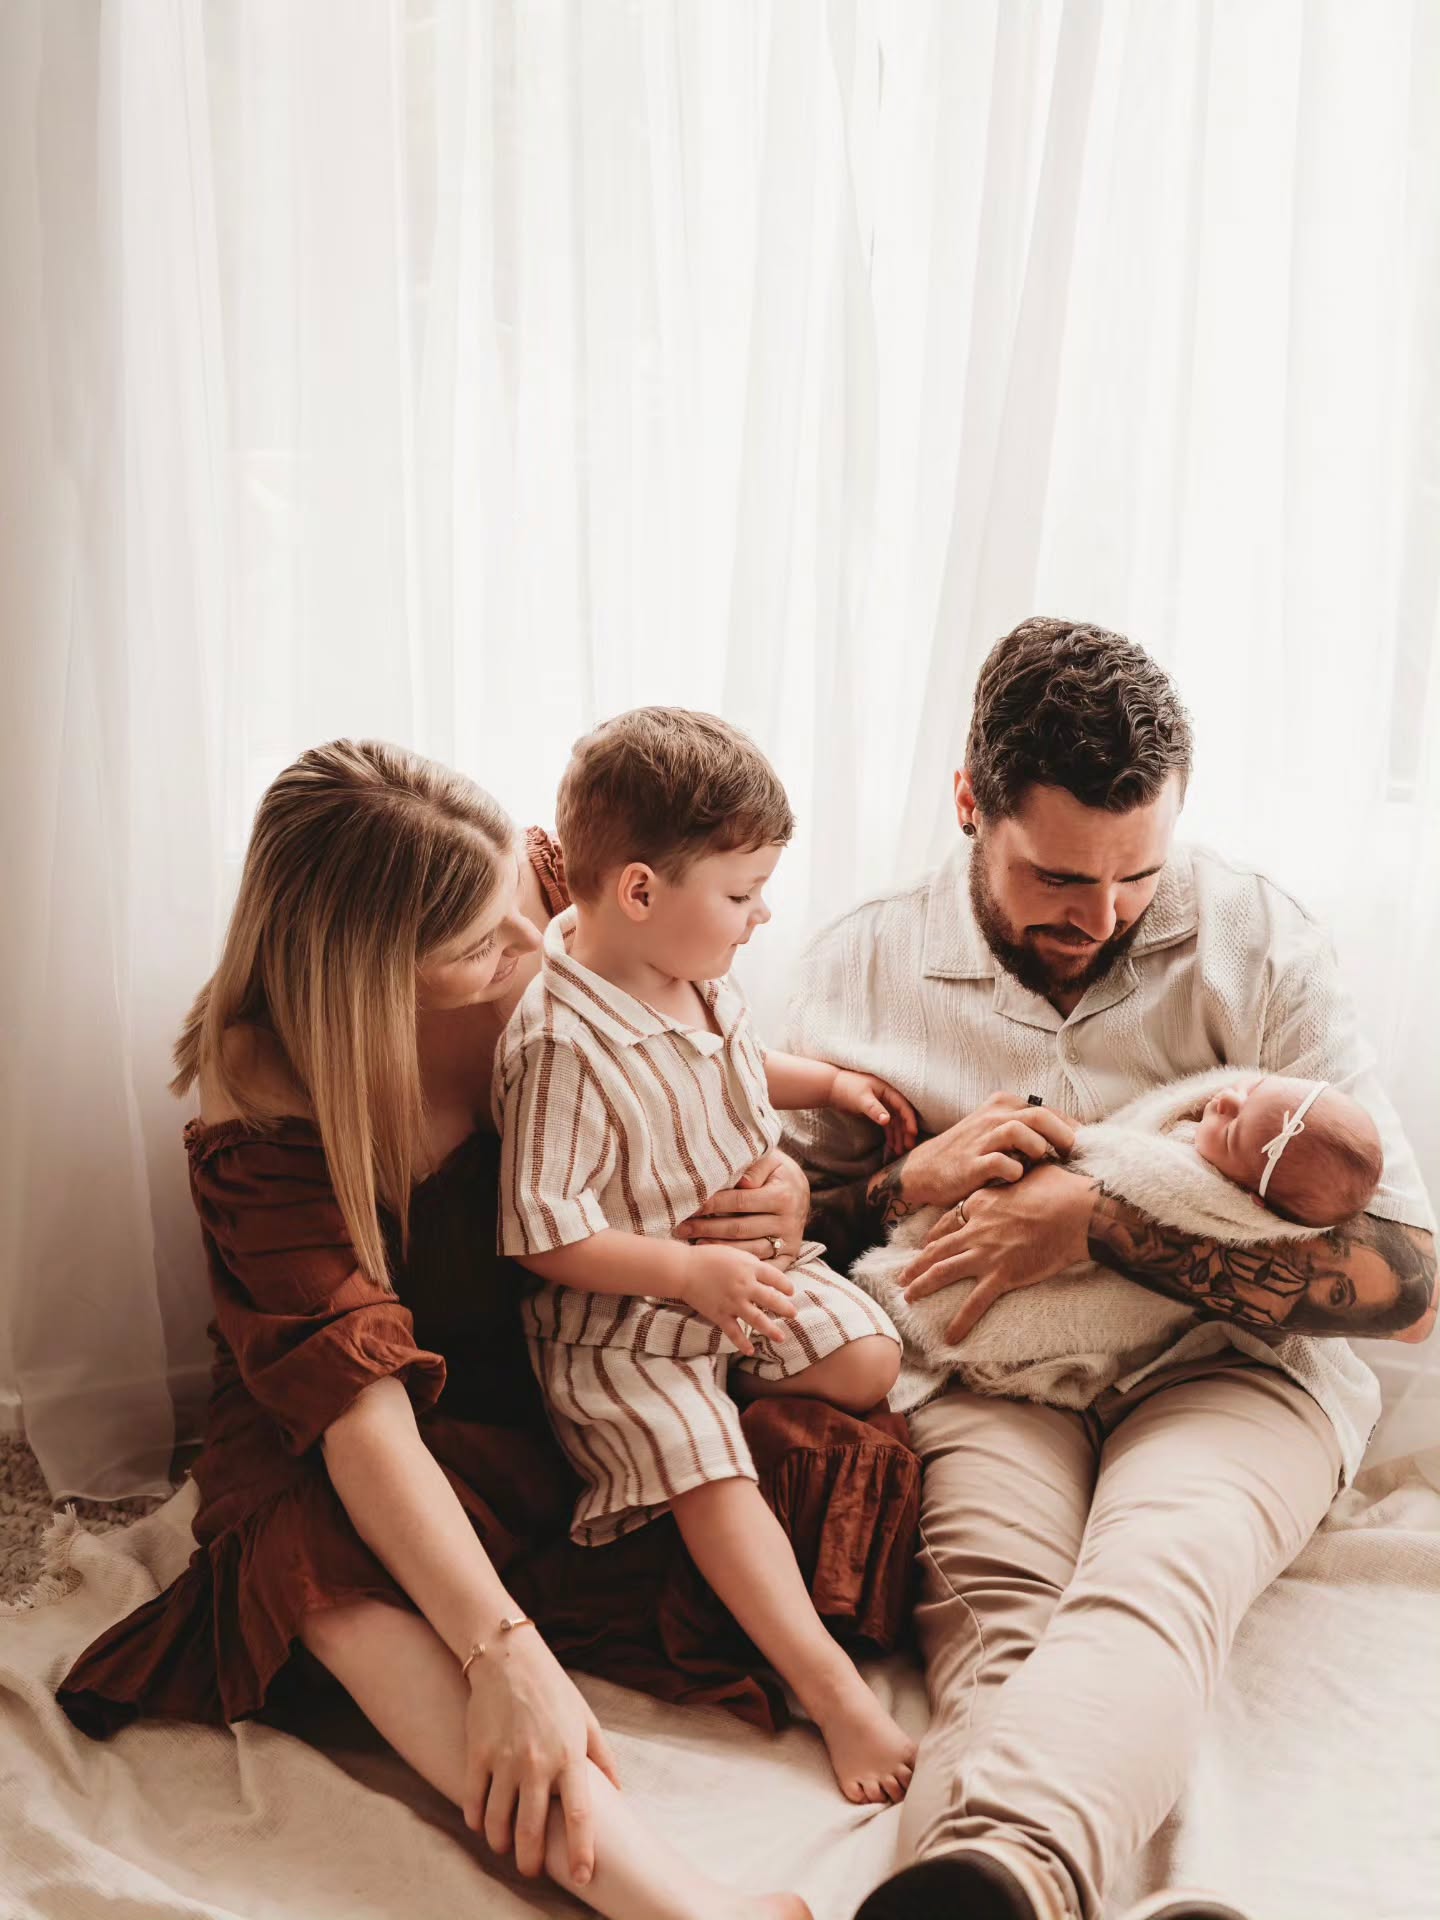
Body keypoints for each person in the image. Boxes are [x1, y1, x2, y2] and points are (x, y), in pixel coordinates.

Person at [56, 740, 919, 1920]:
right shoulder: (266, 1086)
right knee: (323, 1566)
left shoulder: (541, 890)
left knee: (812, 1464)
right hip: (356, 1419)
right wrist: (501, 1653)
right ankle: (671, 1902)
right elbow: (361, 1418)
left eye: (524, 909)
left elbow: (682, 1067)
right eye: (480, 950)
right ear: (371, 976)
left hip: (550, 1362)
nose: (536, 955)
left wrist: (771, 1189)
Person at [781, 619, 1437, 1920]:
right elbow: (765, 1237)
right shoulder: (858, 967)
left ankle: (1008, 1873)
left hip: (1234, 1373)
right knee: (997, 1630)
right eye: (1060, 878)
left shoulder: (1259, 943)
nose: (1105, 915)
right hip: (983, 1377)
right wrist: (896, 1185)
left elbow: (1411, 1285)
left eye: (1138, 875)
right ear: (970, 803)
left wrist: (1103, 1224)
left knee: (1154, 1572)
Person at [498, 708, 917, 1805]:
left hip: (729, 1281)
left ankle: (738, 1398)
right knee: (708, 1466)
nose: (761, 913)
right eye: (741, 894)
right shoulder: (559, 1043)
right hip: (626, 1324)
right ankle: (830, 1691)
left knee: (872, 1359)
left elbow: (734, 1061)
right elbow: (543, 1232)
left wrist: (824, 1085)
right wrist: (686, 1279)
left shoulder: (691, 967)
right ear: (639, 892)